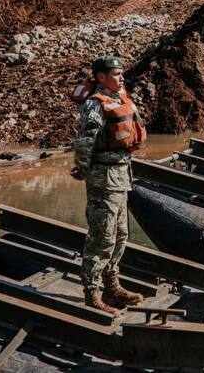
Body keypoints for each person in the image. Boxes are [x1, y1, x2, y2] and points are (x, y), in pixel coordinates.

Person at [70, 55, 146, 314]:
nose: (121, 77)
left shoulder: (119, 99)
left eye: (122, 73)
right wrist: (81, 168)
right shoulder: (94, 105)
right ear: (101, 77)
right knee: (101, 237)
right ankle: (92, 293)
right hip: (103, 177)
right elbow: (84, 140)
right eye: (116, 74)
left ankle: (112, 287)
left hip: (122, 175)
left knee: (120, 235)